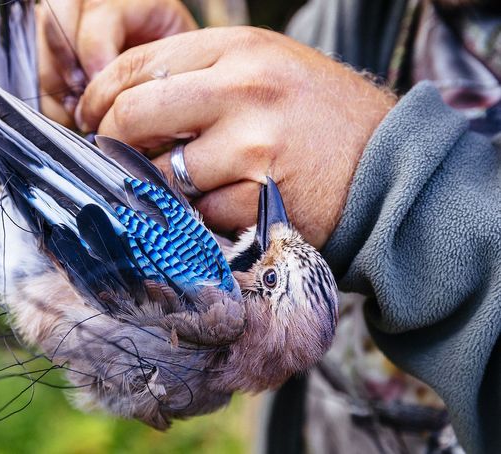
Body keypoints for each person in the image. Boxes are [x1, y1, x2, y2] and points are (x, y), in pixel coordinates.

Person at [34, 1, 501, 453]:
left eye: (271, 275)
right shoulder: (354, 17)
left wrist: (392, 182)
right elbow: (268, 138)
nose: (273, 225)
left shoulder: (219, 307)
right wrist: (187, 96)